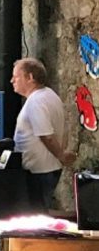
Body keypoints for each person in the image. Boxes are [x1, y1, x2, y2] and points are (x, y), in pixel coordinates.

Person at [11, 57, 76, 210]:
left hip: (38, 170)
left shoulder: (36, 101)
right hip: (47, 168)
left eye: (16, 77)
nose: (12, 80)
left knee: (35, 214)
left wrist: (61, 155)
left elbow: (46, 135)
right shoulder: (50, 95)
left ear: (30, 77)